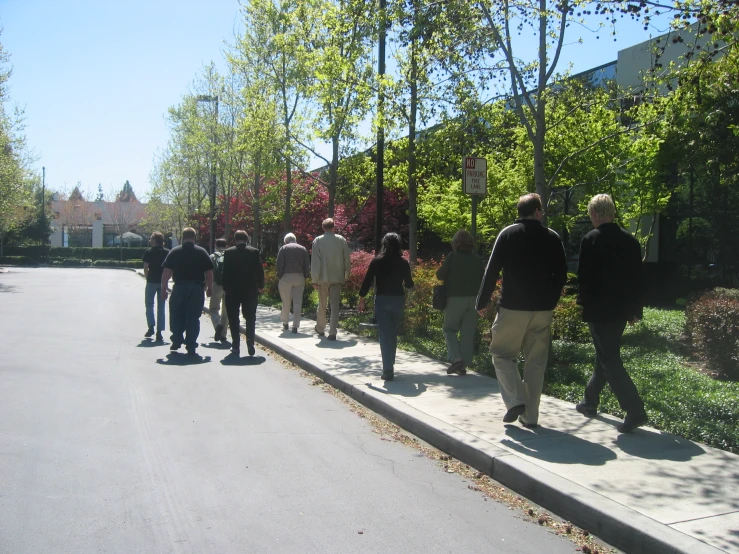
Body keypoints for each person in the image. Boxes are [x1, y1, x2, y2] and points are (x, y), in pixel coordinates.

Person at [476, 193, 567, 428]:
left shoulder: (507, 234)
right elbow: (562, 275)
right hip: (543, 310)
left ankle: (515, 401)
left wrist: (481, 301)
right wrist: (552, 300)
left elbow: (492, 270)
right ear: (537, 211)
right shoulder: (553, 238)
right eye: (542, 210)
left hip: (513, 308)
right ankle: (531, 417)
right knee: (535, 363)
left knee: (502, 354)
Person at [576, 193, 648, 433]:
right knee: (604, 355)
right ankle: (589, 401)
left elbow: (584, 278)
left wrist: (582, 303)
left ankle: (635, 409)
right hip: (621, 311)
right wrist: (636, 310)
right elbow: (639, 280)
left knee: (609, 360)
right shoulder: (631, 241)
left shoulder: (590, 240)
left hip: (599, 310)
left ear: (595, 214)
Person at [358, 233, 414, 381]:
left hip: (382, 300)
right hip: (398, 300)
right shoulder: (403, 263)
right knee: (393, 333)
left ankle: (388, 368)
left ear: (384, 245)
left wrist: (362, 299)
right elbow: (409, 284)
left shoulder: (377, 261)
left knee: (384, 334)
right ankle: (391, 362)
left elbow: (367, 280)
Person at [435, 229, 485, 376]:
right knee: (467, 334)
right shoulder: (477, 259)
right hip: (474, 300)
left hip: (455, 298)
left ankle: (457, 359)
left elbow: (440, 274)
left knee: (449, 329)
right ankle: (463, 365)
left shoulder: (452, 257)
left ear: (456, 243)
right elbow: (483, 278)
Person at [160, 227, 214, 356]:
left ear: (183, 237)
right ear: (194, 237)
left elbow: (166, 272)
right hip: (196, 288)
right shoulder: (202, 252)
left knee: (176, 313)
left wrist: (163, 289)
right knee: (193, 317)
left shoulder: (174, 252)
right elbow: (209, 273)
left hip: (179, 287)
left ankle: (177, 339)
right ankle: (191, 345)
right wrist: (210, 288)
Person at [222, 230, 264, 356]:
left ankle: (235, 345)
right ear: (247, 239)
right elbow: (259, 271)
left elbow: (225, 272)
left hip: (232, 291)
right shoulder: (254, 252)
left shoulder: (229, 252)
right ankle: (250, 341)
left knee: (233, 318)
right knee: (250, 317)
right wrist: (261, 285)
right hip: (250, 290)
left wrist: (225, 287)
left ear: (235, 240)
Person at [311, 218, 351, 340]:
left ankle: (321, 327)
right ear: (334, 227)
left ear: (323, 228)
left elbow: (315, 262)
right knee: (335, 306)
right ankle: (332, 332)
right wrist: (346, 274)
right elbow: (347, 260)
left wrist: (314, 279)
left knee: (322, 304)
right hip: (337, 277)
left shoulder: (318, 241)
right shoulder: (341, 240)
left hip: (323, 277)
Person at [276, 232, 310, 333]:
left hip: (286, 277)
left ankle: (285, 322)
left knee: (286, 302)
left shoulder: (284, 249)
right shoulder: (303, 249)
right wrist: (305, 276)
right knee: (297, 302)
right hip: (299, 277)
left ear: (286, 241)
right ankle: (295, 326)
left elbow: (279, 264)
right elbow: (306, 265)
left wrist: (280, 276)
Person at [142, 231, 169, 342]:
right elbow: (169, 268)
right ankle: (159, 331)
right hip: (162, 282)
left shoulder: (148, 252)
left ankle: (151, 327)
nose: (150, 240)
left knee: (149, 304)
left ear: (154, 240)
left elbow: (145, 268)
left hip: (152, 281)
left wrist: (148, 278)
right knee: (161, 307)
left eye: (151, 238)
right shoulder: (167, 252)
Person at [209, 238, 229, 343]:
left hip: (216, 285)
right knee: (226, 311)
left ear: (216, 246)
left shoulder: (212, 257)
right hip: (229, 286)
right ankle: (223, 334)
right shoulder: (231, 255)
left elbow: (208, 272)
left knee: (213, 309)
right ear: (226, 246)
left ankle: (217, 325)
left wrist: (207, 286)